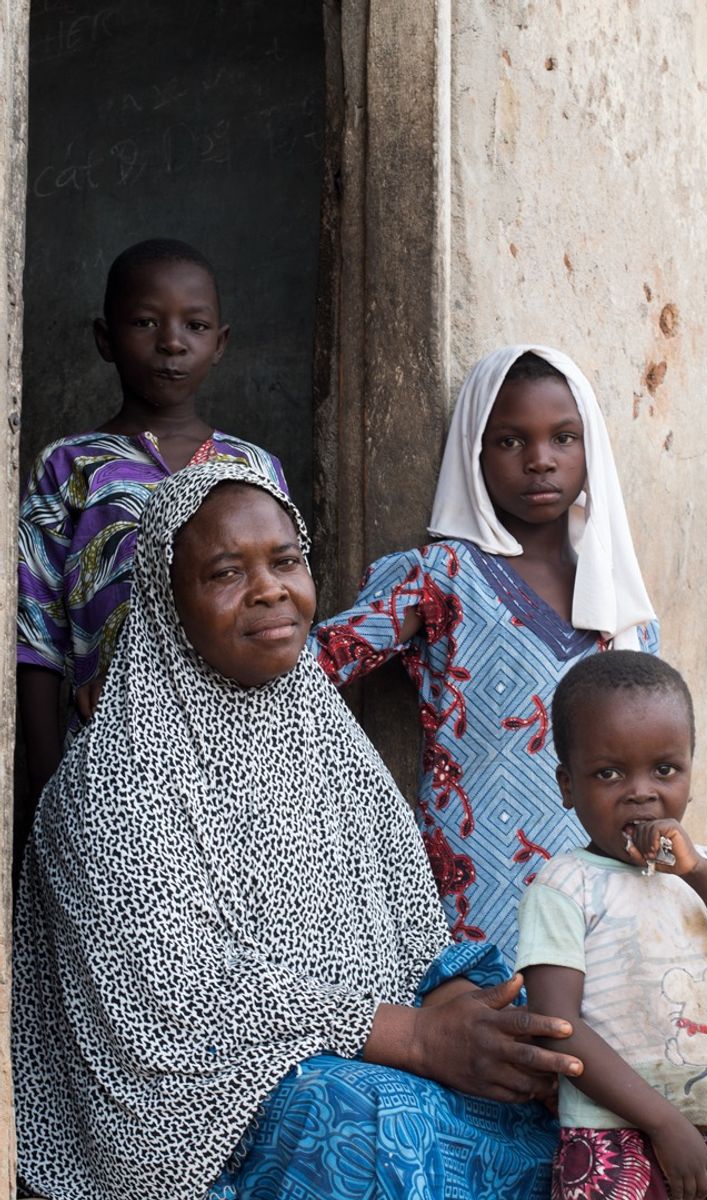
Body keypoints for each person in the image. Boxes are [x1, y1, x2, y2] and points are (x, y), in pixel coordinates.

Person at [12, 461, 585, 1200]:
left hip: (364, 1040)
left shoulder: (321, 728)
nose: (269, 589)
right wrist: (411, 1038)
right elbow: (175, 1004)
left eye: (285, 561)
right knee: (370, 1125)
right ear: (166, 600)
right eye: (226, 573)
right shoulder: (116, 773)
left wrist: (456, 1011)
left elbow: (413, 926)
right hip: (196, 1110)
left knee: (560, 1068)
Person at [311, 344, 658, 966]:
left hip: (603, 889)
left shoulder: (621, 603)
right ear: (474, 451)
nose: (540, 460)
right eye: (510, 441)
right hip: (473, 890)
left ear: (592, 450)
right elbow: (315, 662)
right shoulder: (441, 578)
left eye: (564, 438)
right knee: (496, 1018)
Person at [16, 238, 286, 810]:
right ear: (105, 338)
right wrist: (41, 779)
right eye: (145, 322)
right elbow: (35, 635)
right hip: (109, 751)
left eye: (195, 325)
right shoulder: (69, 466)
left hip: (240, 750)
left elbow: (279, 607)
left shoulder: (253, 467)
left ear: (220, 343)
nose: (171, 342)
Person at [517, 650, 707, 1200]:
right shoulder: (565, 886)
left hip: (700, 1133)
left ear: (691, 773)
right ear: (568, 786)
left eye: (664, 769)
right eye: (609, 773)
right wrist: (663, 1122)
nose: (641, 791)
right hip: (606, 1140)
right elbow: (556, 1023)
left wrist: (700, 874)